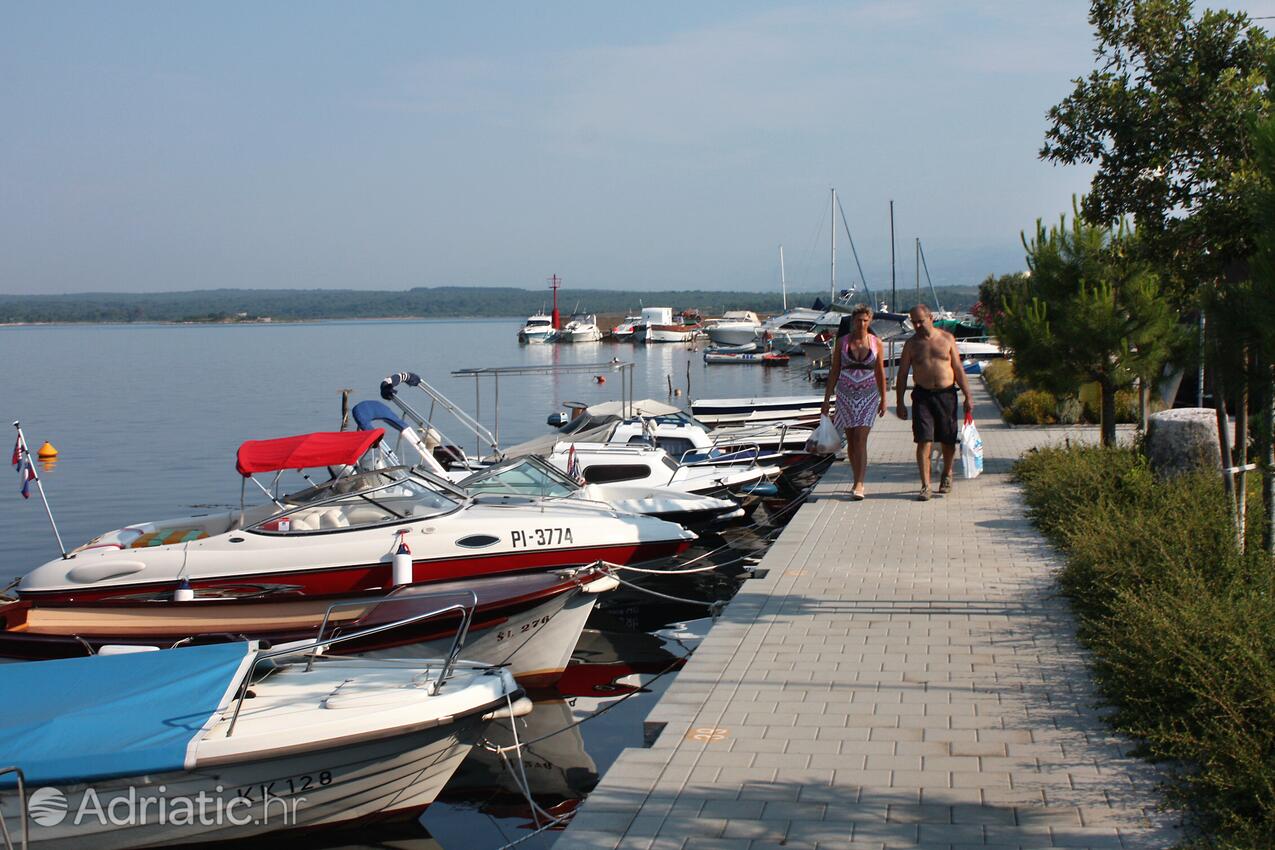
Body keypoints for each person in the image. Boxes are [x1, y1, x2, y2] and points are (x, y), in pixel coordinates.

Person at [895, 304, 973, 501]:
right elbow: (903, 374)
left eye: (921, 320)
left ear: (930, 317)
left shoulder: (947, 339)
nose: (918, 325)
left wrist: (968, 396)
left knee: (948, 439)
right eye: (914, 322)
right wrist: (900, 403)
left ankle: (947, 474)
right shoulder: (911, 345)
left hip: (947, 394)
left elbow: (958, 369)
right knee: (924, 439)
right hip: (922, 396)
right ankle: (925, 485)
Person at [819, 304, 887, 500]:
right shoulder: (842, 342)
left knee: (861, 438)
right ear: (853, 321)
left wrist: (884, 399)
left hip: (869, 394)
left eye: (865, 320)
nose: (862, 323)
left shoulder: (876, 343)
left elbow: (880, 372)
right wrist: (826, 400)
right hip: (845, 395)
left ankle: (859, 483)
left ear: (870, 321)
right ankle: (856, 476)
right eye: (858, 320)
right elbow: (834, 371)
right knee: (851, 438)